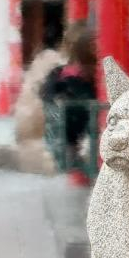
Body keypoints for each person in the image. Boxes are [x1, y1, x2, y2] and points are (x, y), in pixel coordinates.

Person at [40, 25, 97, 170]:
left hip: (75, 128)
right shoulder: (63, 74)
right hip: (76, 127)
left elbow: (46, 94)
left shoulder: (60, 73)